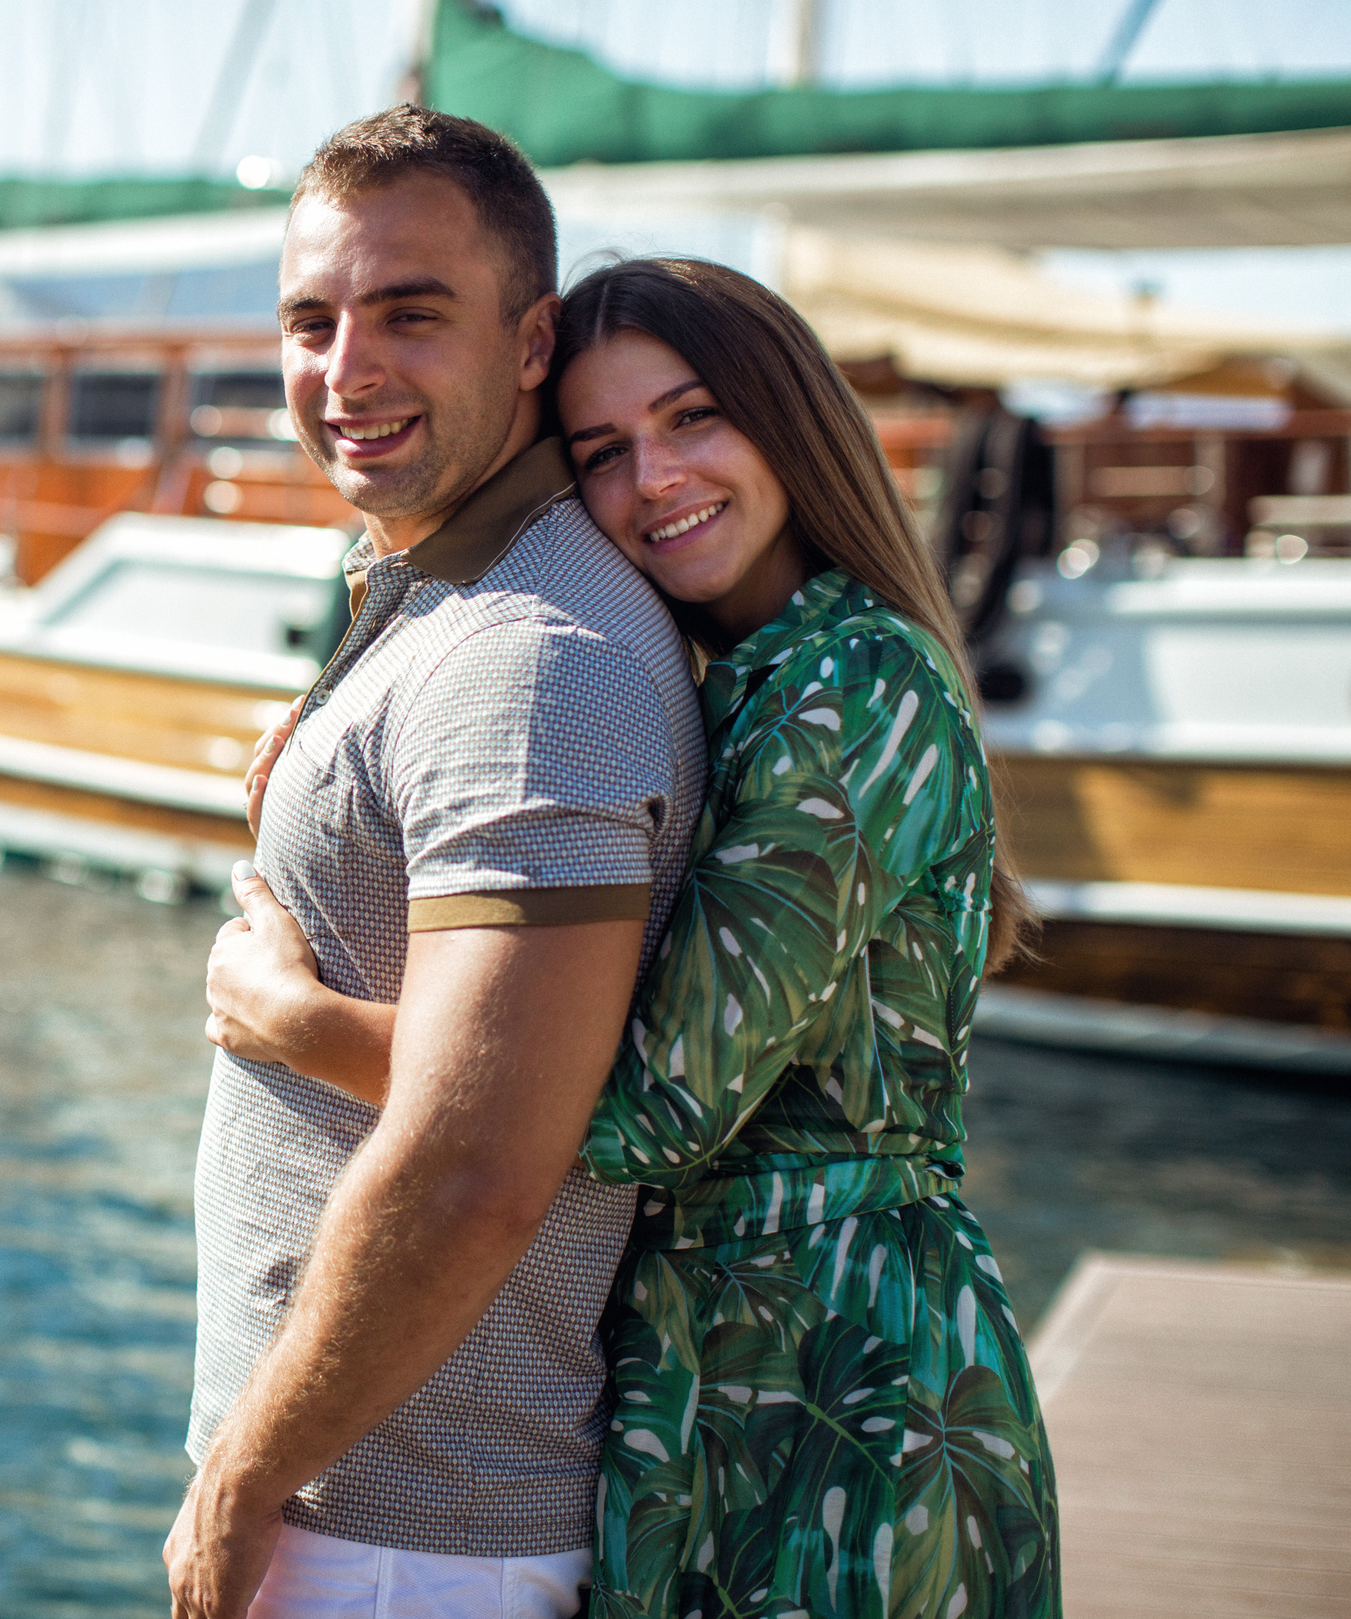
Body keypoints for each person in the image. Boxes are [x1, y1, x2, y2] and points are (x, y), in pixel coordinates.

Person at [209, 254, 1062, 1618]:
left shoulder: (850, 685)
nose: (652, 478)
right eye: (602, 449)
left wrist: (293, 1017)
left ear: (789, 419)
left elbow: (647, 1107)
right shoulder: (742, 673)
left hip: (841, 1387)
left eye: (693, 418)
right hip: (718, 1369)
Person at [166, 108, 708, 1619]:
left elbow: (480, 1161)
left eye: (411, 314)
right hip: (367, 1506)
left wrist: (246, 1482)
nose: (347, 370)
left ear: (533, 341)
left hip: (399, 1534)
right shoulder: (440, 595)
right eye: (312, 319)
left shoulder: (529, 657)